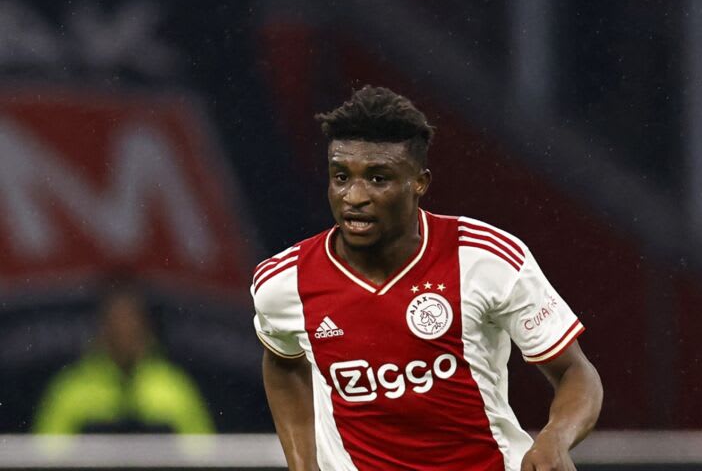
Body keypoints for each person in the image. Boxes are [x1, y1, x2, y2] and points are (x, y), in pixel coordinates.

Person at [252, 86, 602, 470]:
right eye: (341, 177)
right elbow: (282, 362)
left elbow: (575, 371)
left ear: (420, 182)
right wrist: (303, 465)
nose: (354, 196)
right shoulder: (284, 282)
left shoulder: (485, 258)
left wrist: (555, 438)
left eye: (378, 178)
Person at [33, 281, 214, 435]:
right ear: (102, 331)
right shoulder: (71, 390)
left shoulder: (174, 388)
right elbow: (45, 456)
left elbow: (203, 455)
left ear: (145, 329)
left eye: (131, 326)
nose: (124, 335)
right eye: (116, 327)